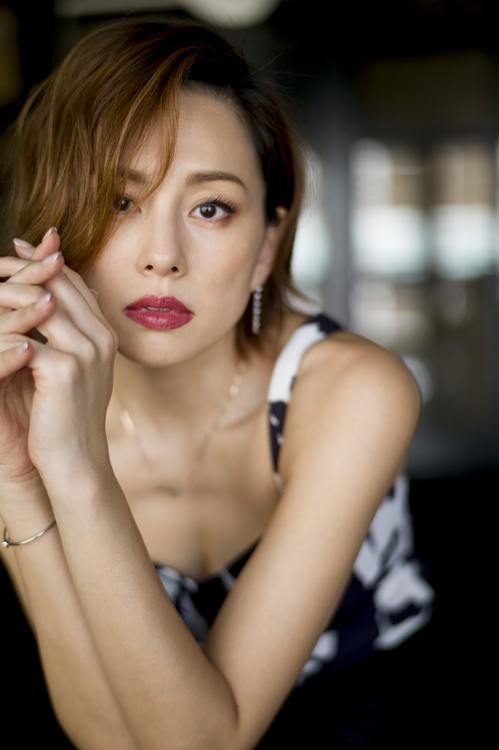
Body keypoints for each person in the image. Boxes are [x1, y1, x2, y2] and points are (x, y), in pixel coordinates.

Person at [0, 16, 434, 749]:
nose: (163, 255)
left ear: (266, 247)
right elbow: (108, 738)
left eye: (210, 208)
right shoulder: (25, 406)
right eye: (120, 201)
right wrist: (16, 478)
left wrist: (78, 469)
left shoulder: (354, 390)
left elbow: (205, 743)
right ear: (55, 230)